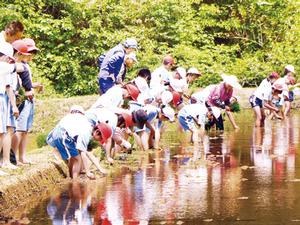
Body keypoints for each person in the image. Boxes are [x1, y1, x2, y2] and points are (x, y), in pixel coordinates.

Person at [46, 110, 112, 179]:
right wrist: (88, 172)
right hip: (62, 133)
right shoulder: (86, 133)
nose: (100, 140)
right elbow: (83, 154)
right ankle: (75, 182)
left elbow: (88, 153)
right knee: (78, 159)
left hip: (61, 132)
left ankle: (71, 178)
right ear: (97, 132)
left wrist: (100, 168)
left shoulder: (88, 128)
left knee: (74, 156)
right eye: (101, 138)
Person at [10, 38, 43, 165]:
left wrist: (35, 85)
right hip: (23, 99)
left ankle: (22, 156)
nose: (31, 56)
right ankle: (14, 158)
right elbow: (19, 85)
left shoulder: (26, 66)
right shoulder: (18, 66)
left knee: (26, 130)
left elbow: (27, 83)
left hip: (30, 99)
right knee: (20, 129)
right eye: (30, 52)